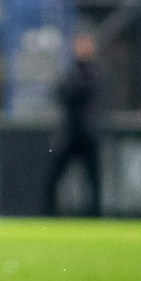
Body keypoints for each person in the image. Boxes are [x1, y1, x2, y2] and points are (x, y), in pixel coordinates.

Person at [43, 31, 103, 215]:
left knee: (92, 180)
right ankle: (49, 214)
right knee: (54, 177)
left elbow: (78, 91)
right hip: (70, 133)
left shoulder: (94, 71)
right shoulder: (72, 71)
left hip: (87, 133)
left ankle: (94, 215)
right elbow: (62, 93)